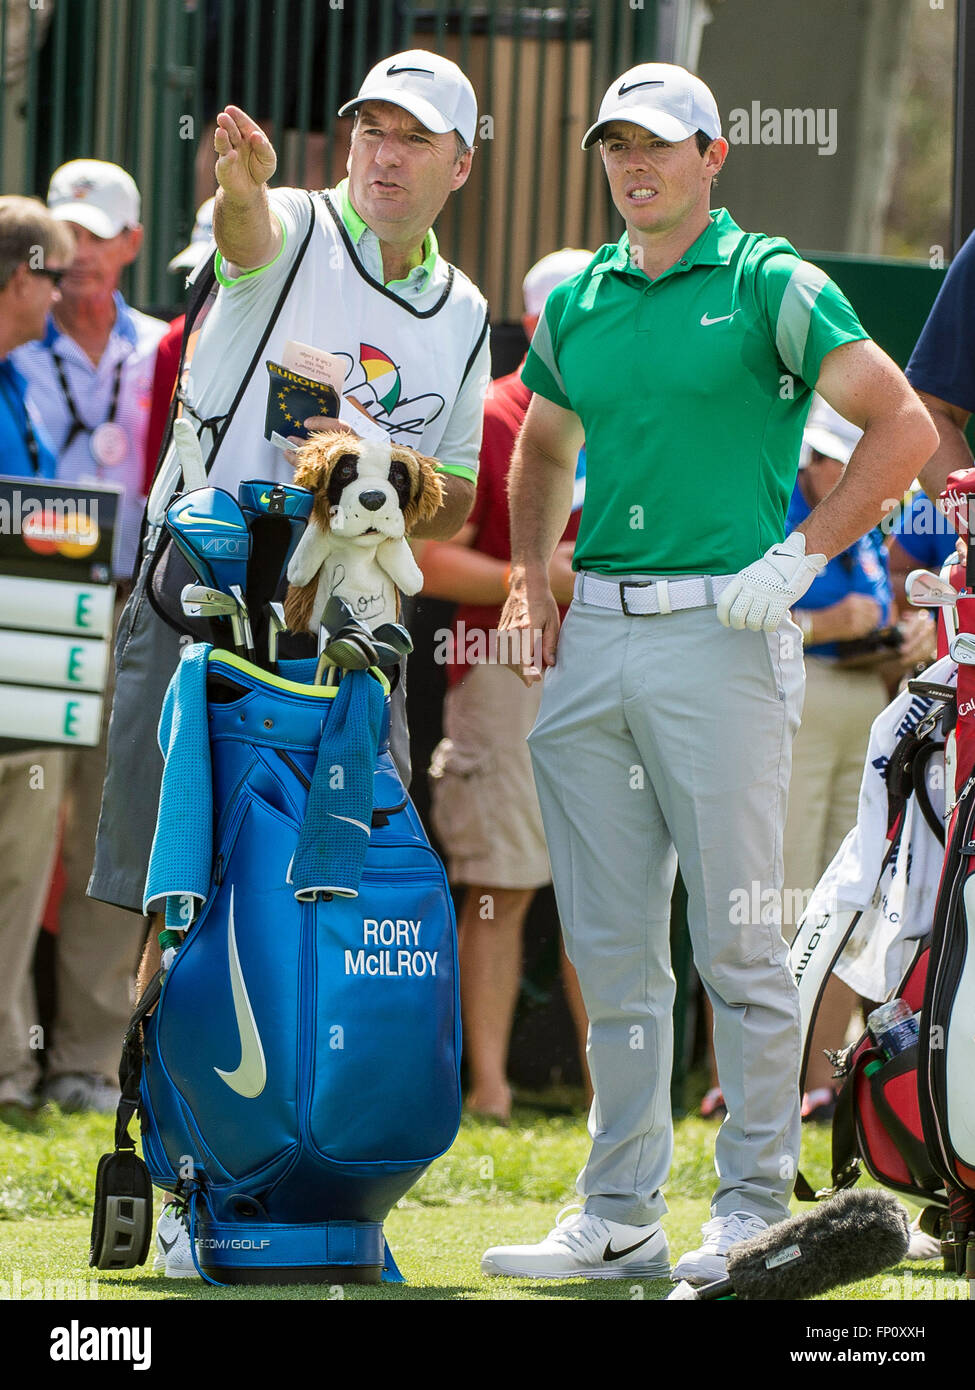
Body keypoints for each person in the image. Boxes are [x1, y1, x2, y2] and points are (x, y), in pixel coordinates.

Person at [479, 62, 938, 1285]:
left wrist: (804, 552)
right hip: (599, 642)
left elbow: (905, 428)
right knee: (612, 944)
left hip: (724, 634)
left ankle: (748, 1207)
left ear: (713, 155)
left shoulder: (771, 282)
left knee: (738, 936)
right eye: (617, 147)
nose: (635, 167)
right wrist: (529, 576)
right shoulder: (579, 292)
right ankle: (620, 1209)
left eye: (658, 146)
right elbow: (541, 442)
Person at [85, 51, 489, 1276]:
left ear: (459, 165)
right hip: (208, 586)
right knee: (179, 882)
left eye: (412, 136)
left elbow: (459, 499)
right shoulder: (296, 221)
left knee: (337, 882)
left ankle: (325, 1152)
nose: (382, 150)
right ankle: (187, 1164)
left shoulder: (466, 314)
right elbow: (250, 235)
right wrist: (244, 181)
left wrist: (374, 481)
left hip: (352, 620)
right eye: (369, 127)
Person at [421, 248, 593, 1122]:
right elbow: (422, 560)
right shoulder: (489, 412)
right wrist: (539, 579)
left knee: (609, 895)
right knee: (500, 885)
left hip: (604, 668)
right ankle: (486, 1093)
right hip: (499, 669)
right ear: (533, 324)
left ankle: (614, 1098)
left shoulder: (623, 410)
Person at [11, 161, 168, 1114]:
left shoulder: (160, 348)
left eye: (99, 236)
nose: (78, 259)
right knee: (28, 830)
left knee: (115, 835)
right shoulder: (15, 347)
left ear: (132, 245)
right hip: (33, 601)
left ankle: (84, 1059)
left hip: (133, 602)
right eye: (63, 238)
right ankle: (11, 1061)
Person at [0, 196, 74, 1109]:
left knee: (21, 876)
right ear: (21, 275)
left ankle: (11, 1076)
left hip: (28, 657)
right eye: (54, 275)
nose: (63, 294)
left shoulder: (18, 378)